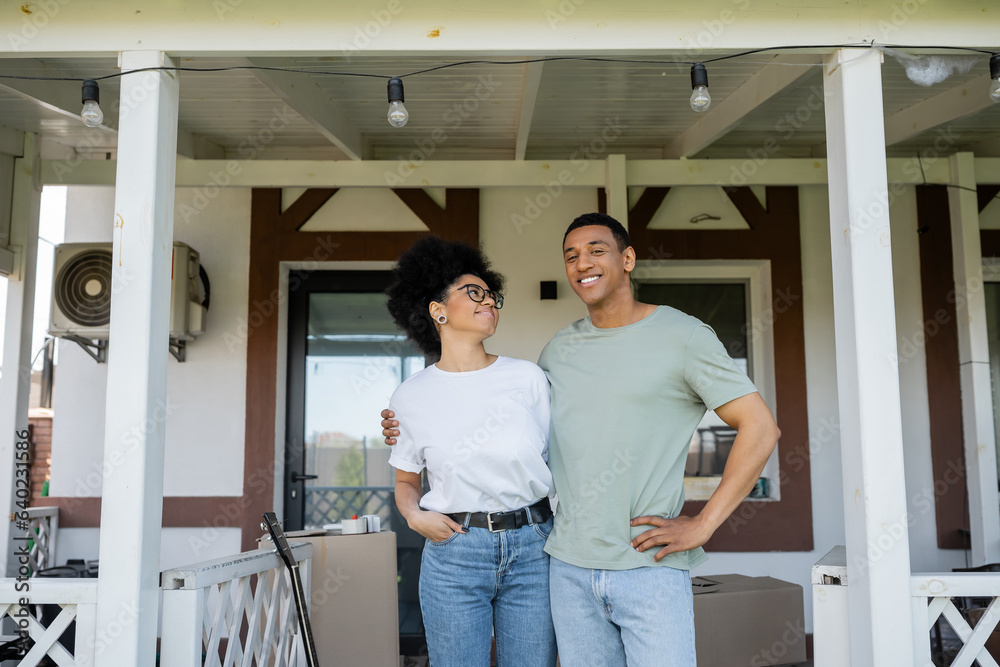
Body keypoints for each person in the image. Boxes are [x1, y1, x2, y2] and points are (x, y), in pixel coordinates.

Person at [383, 213, 781, 667]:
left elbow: (761, 427)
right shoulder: (557, 352)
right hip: (563, 565)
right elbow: (523, 431)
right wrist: (403, 426)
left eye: (596, 250)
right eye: (571, 255)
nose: (582, 263)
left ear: (628, 258)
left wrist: (705, 523)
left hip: (630, 561)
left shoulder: (677, 337)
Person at [384, 236, 557, 667]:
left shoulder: (528, 378)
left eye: (492, 295)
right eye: (473, 292)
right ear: (437, 309)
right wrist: (414, 516)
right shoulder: (410, 396)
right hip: (454, 552)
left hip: (535, 546)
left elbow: (561, 459)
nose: (489, 302)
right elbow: (406, 481)